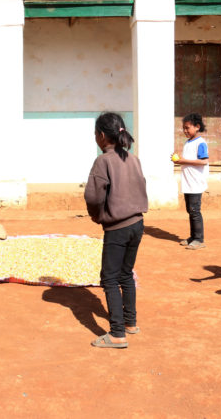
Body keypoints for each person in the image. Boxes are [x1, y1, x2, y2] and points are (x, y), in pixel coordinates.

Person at [84, 112, 148, 349]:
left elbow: (93, 195)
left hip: (117, 228)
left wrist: (96, 214)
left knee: (109, 278)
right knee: (126, 273)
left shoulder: (103, 161)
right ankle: (130, 322)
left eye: (95, 134)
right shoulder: (133, 158)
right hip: (137, 223)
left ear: (101, 136)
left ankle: (117, 333)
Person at [172, 113, 209, 250]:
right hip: (188, 183)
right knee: (190, 210)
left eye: (187, 128)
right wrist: (179, 159)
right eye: (183, 128)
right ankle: (193, 237)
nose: (185, 131)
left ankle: (199, 239)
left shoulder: (201, 143)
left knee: (194, 211)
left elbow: (204, 161)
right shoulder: (188, 143)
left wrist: (182, 161)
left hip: (195, 183)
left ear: (197, 127)